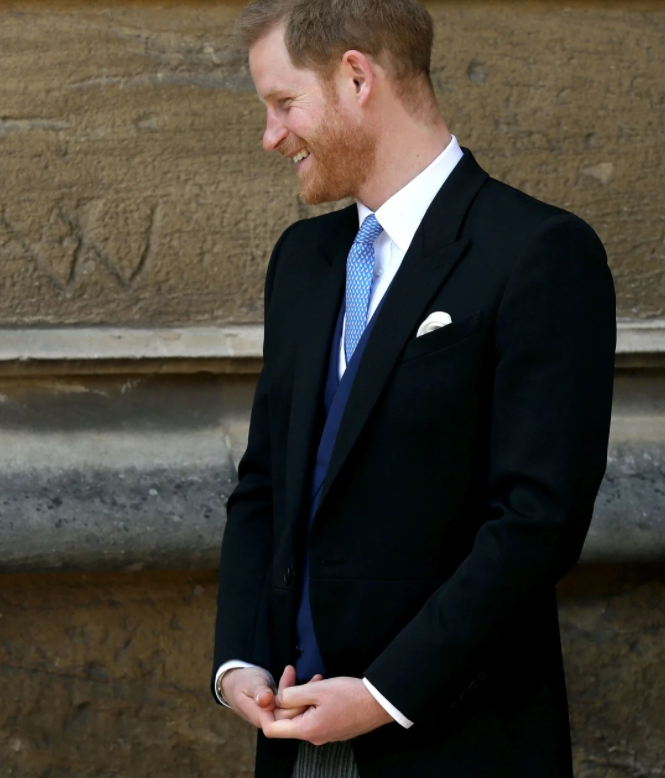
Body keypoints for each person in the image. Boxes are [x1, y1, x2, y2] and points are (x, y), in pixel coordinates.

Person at [211, 1, 615, 777]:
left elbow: (538, 521)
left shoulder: (538, 253)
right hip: (294, 745)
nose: (271, 136)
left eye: (283, 103)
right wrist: (239, 663)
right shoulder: (303, 260)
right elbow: (264, 485)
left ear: (357, 76)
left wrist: (383, 694)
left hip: (457, 743)